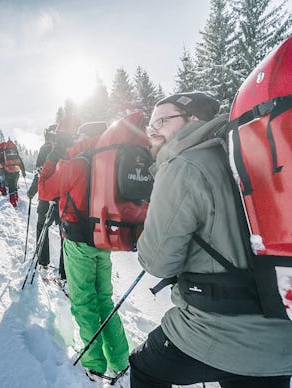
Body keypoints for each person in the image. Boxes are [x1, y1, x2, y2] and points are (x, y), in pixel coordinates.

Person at [130, 92, 292, 387]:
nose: (152, 130)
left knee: (143, 366)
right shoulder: (243, 155)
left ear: (193, 120)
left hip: (217, 331)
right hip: (282, 337)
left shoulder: (183, 166)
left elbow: (157, 262)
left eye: (162, 120)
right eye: (150, 123)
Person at [39, 122, 128, 382]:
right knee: (105, 300)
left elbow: (45, 190)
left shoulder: (78, 163)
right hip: (104, 241)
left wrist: (53, 156)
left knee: (84, 302)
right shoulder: (113, 162)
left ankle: (94, 362)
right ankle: (120, 358)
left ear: (85, 136)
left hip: (79, 243)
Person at [27, 124, 59, 272]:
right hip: (64, 195)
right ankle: (64, 274)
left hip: (46, 195)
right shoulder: (69, 149)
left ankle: (43, 261)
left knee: (42, 225)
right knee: (66, 233)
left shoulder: (45, 149)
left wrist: (32, 191)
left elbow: (40, 173)